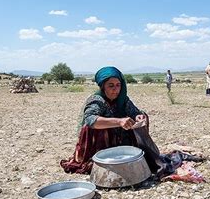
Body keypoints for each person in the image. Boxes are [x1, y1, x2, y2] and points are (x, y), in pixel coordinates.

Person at [60, 66, 202, 179]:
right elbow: (91, 120)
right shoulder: (96, 100)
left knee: (142, 116)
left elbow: (135, 112)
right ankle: (98, 159)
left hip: (119, 139)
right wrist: (118, 121)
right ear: (102, 86)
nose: (116, 90)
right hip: (98, 144)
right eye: (111, 86)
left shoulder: (123, 99)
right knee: (94, 126)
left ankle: (131, 151)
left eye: (118, 85)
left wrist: (140, 117)